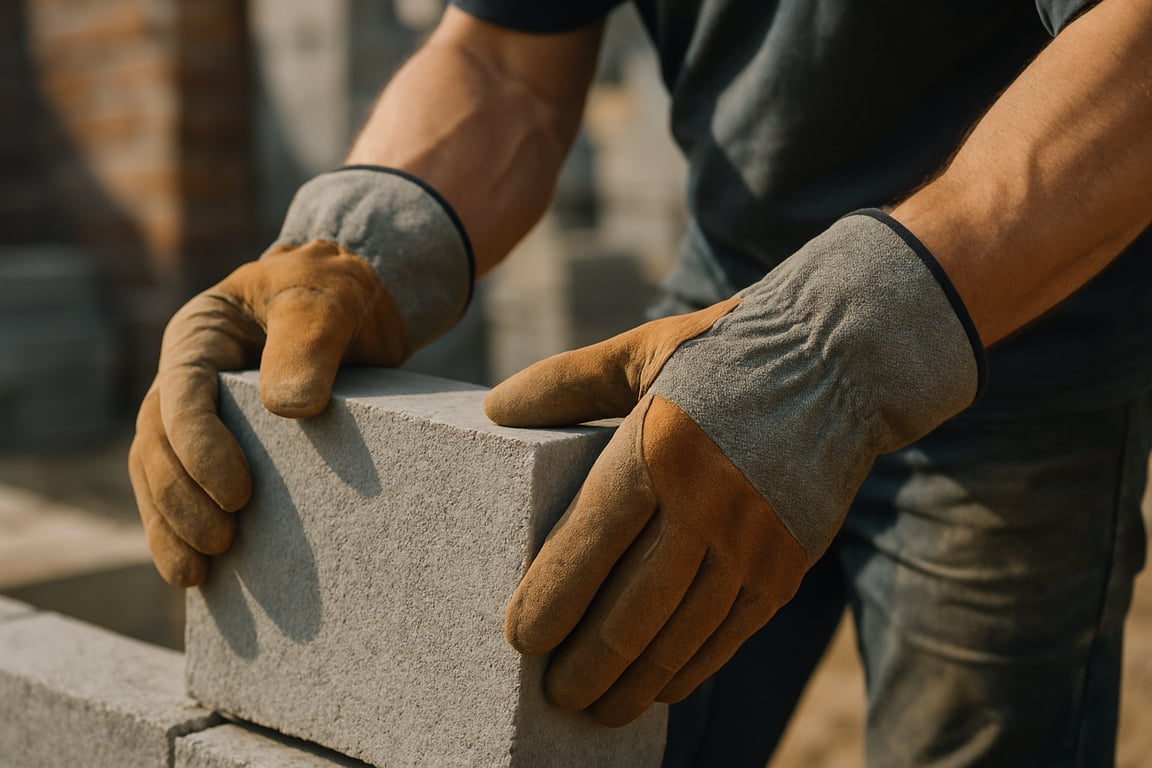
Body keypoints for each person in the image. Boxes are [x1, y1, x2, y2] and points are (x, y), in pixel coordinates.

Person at [128, 1, 1152, 765]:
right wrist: (353, 245)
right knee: (602, 716)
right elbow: (507, 56)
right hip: (710, 326)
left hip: (1016, 338)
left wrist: (841, 343)